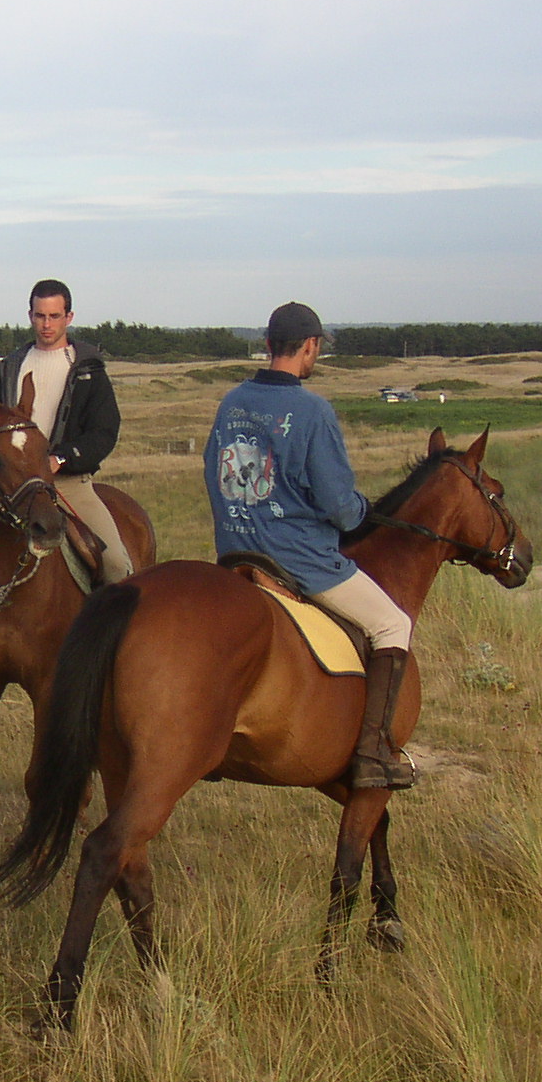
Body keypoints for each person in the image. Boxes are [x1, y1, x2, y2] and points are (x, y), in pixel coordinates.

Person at [203, 301, 414, 790]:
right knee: (392, 624)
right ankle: (374, 752)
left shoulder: (232, 401)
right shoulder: (312, 410)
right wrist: (362, 512)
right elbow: (339, 505)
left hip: (235, 552)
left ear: (268, 344)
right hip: (299, 562)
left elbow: (215, 474)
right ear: (311, 346)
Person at [0, 277, 128, 695]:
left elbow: (105, 431)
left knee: (116, 563)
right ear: (29, 315)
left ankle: (114, 659)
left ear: (69, 317)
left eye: (54, 316)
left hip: (68, 482)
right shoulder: (11, 367)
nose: (46, 324)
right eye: (39, 315)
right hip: (14, 489)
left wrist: (60, 458)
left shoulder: (88, 370)